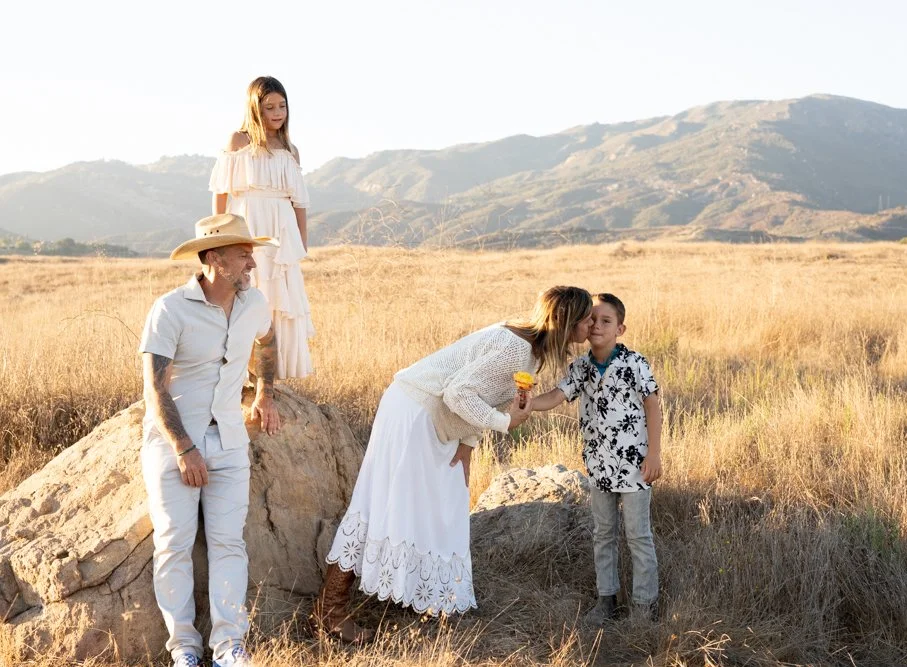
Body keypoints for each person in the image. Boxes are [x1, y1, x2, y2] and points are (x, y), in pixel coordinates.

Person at [313, 286, 595, 643]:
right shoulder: (516, 348)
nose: (590, 325)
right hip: (414, 411)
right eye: (586, 319)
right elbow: (458, 392)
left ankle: (419, 595)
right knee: (380, 504)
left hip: (431, 417)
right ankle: (330, 612)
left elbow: (483, 392)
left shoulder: (530, 349)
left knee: (438, 505)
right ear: (567, 321)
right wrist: (504, 422)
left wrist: (468, 443)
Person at [140, 213, 282, 667]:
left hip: (231, 442)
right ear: (214, 258)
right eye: (243, 255)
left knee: (229, 544)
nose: (252, 264)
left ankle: (229, 647)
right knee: (173, 543)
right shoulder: (170, 309)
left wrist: (265, 390)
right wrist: (184, 448)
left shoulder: (254, 303)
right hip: (174, 445)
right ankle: (184, 648)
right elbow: (155, 389)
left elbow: (268, 341)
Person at [531, 293, 663, 625]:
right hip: (599, 466)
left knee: (638, 536)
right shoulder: (581, 368)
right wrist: (528, 403)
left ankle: (644, 606)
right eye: (592, 320)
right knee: (603, 534)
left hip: (635, 466)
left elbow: (652, 406)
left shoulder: (634, 363)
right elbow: (556, 396)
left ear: (620, 328)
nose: (597, 326)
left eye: (606, 321)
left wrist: (654, 454)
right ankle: (607, 601)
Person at [209, 75, 314, 379]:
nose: (278, 113)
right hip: (248, 223)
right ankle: (241, 372)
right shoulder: (238, 141)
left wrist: (301, 242)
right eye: (270, 107)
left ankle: (270, 376)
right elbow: (221, 193)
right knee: (246, 290)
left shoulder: (290, 149)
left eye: (282, 106)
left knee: (279, 299)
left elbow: (299, 203)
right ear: (255, 108)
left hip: (282, 232)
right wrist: (218, 238)